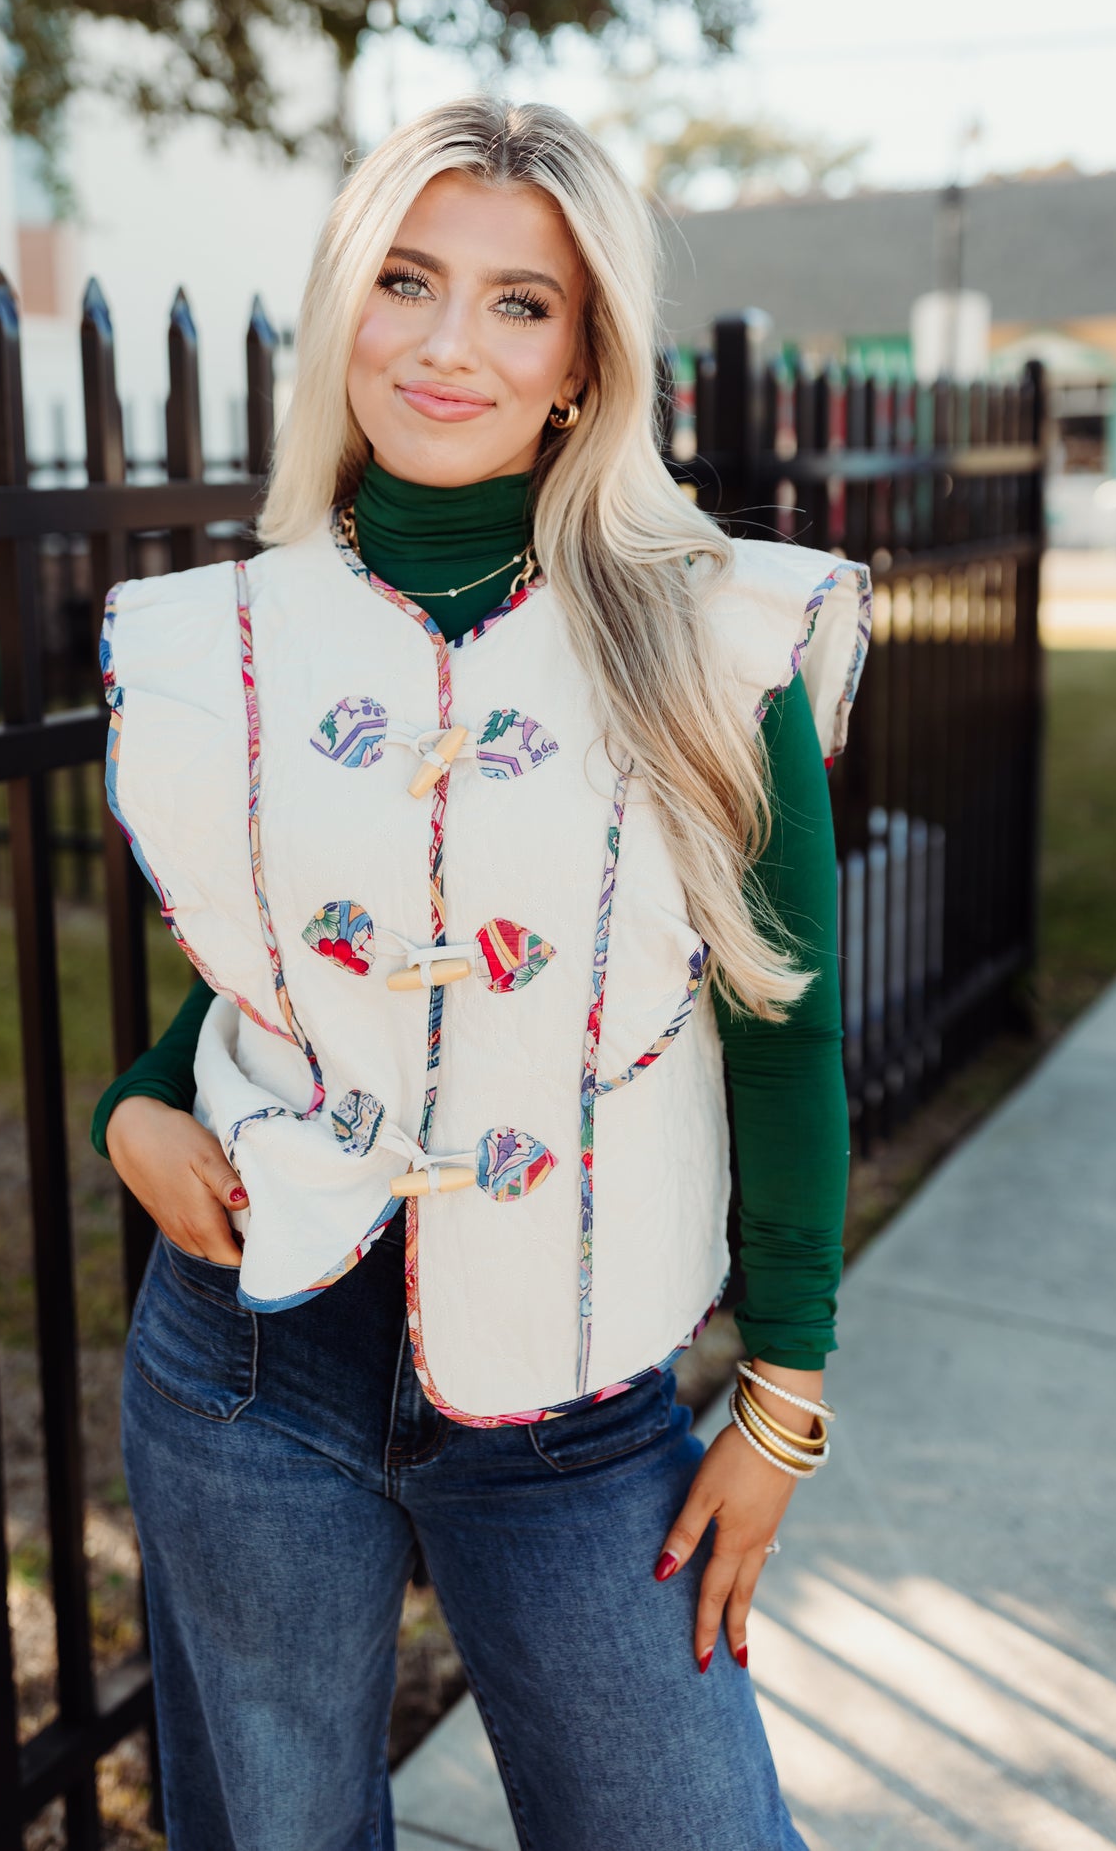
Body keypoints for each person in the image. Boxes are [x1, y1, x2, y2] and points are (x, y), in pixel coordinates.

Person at [95, 97, 869, 1851]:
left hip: (575, 1409)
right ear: (345, 308)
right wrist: (138, 1106)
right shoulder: (221, 639)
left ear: (586, 360)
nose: (449, 344)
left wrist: (787, 1390)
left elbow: (786, 1017)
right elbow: (280, 967)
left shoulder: (712, 633)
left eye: (520, 303)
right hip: (245, 1368)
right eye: (407, 280)